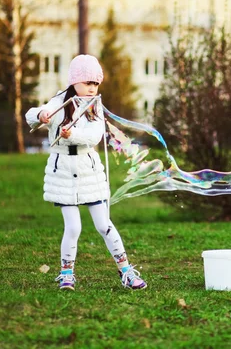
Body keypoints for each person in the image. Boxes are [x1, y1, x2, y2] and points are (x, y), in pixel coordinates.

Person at [25, 54, 147, 291]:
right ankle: (66, 274)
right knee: (73, 228)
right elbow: (33, 114)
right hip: (63, 172)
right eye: (87, 83)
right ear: (74, 81)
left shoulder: (94, 107)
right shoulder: (59, 101)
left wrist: (74, 135)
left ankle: (127, 271)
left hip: (89, 171)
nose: (92, 88)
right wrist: (40, 116)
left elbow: (94, 136)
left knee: (104, 224)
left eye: (96, 84)